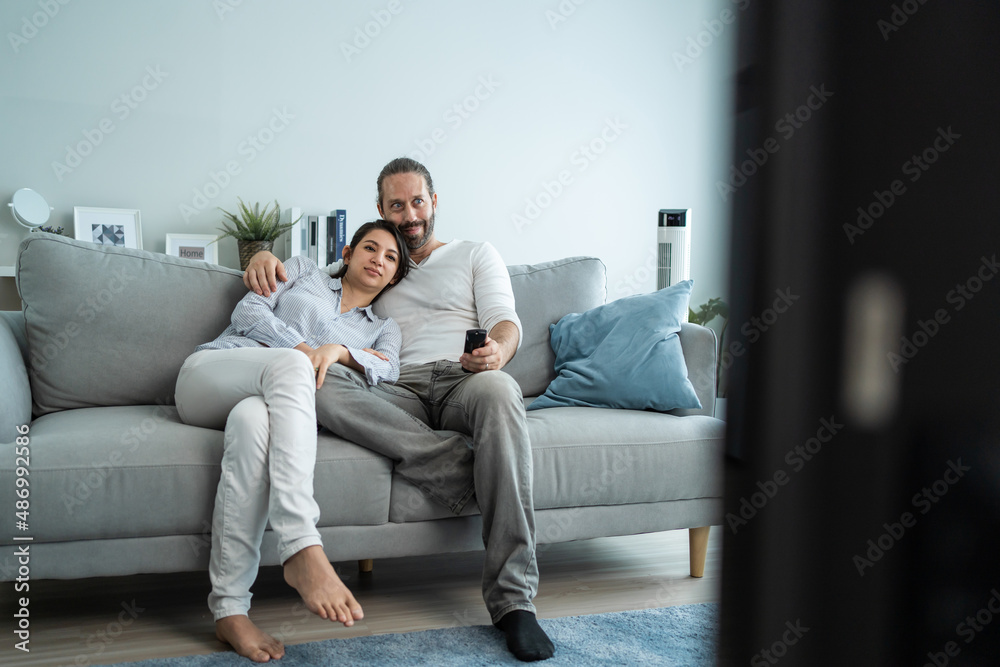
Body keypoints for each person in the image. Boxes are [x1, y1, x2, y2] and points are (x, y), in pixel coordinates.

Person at [243, 158, 555, 662]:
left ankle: (514, 603)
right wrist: (261, 254)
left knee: (500, 392)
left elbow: (505, 321)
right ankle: (465, 471)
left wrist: (496, 352)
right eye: (396, 205)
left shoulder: (475, 253)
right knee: (312, 379)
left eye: (417, 202)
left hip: (464, 378)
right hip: (393, 386)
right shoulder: (380, 263)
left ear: (434, 202)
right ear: (381, 211)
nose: (409, 215)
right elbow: (311, 285)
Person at [176, 220, 410, 663]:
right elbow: (248, 314)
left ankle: (229, 609)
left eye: (390, 256)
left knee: (252, 425)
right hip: (212, 373)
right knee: (292, 367)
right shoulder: (303, 270)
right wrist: (304, 351)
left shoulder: (383, 329)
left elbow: (390, 368)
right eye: (369, 247)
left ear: (395, 275)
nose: (378, 258)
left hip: (258, 405)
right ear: (348, 252)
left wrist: (340, 352)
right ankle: (301, 545)